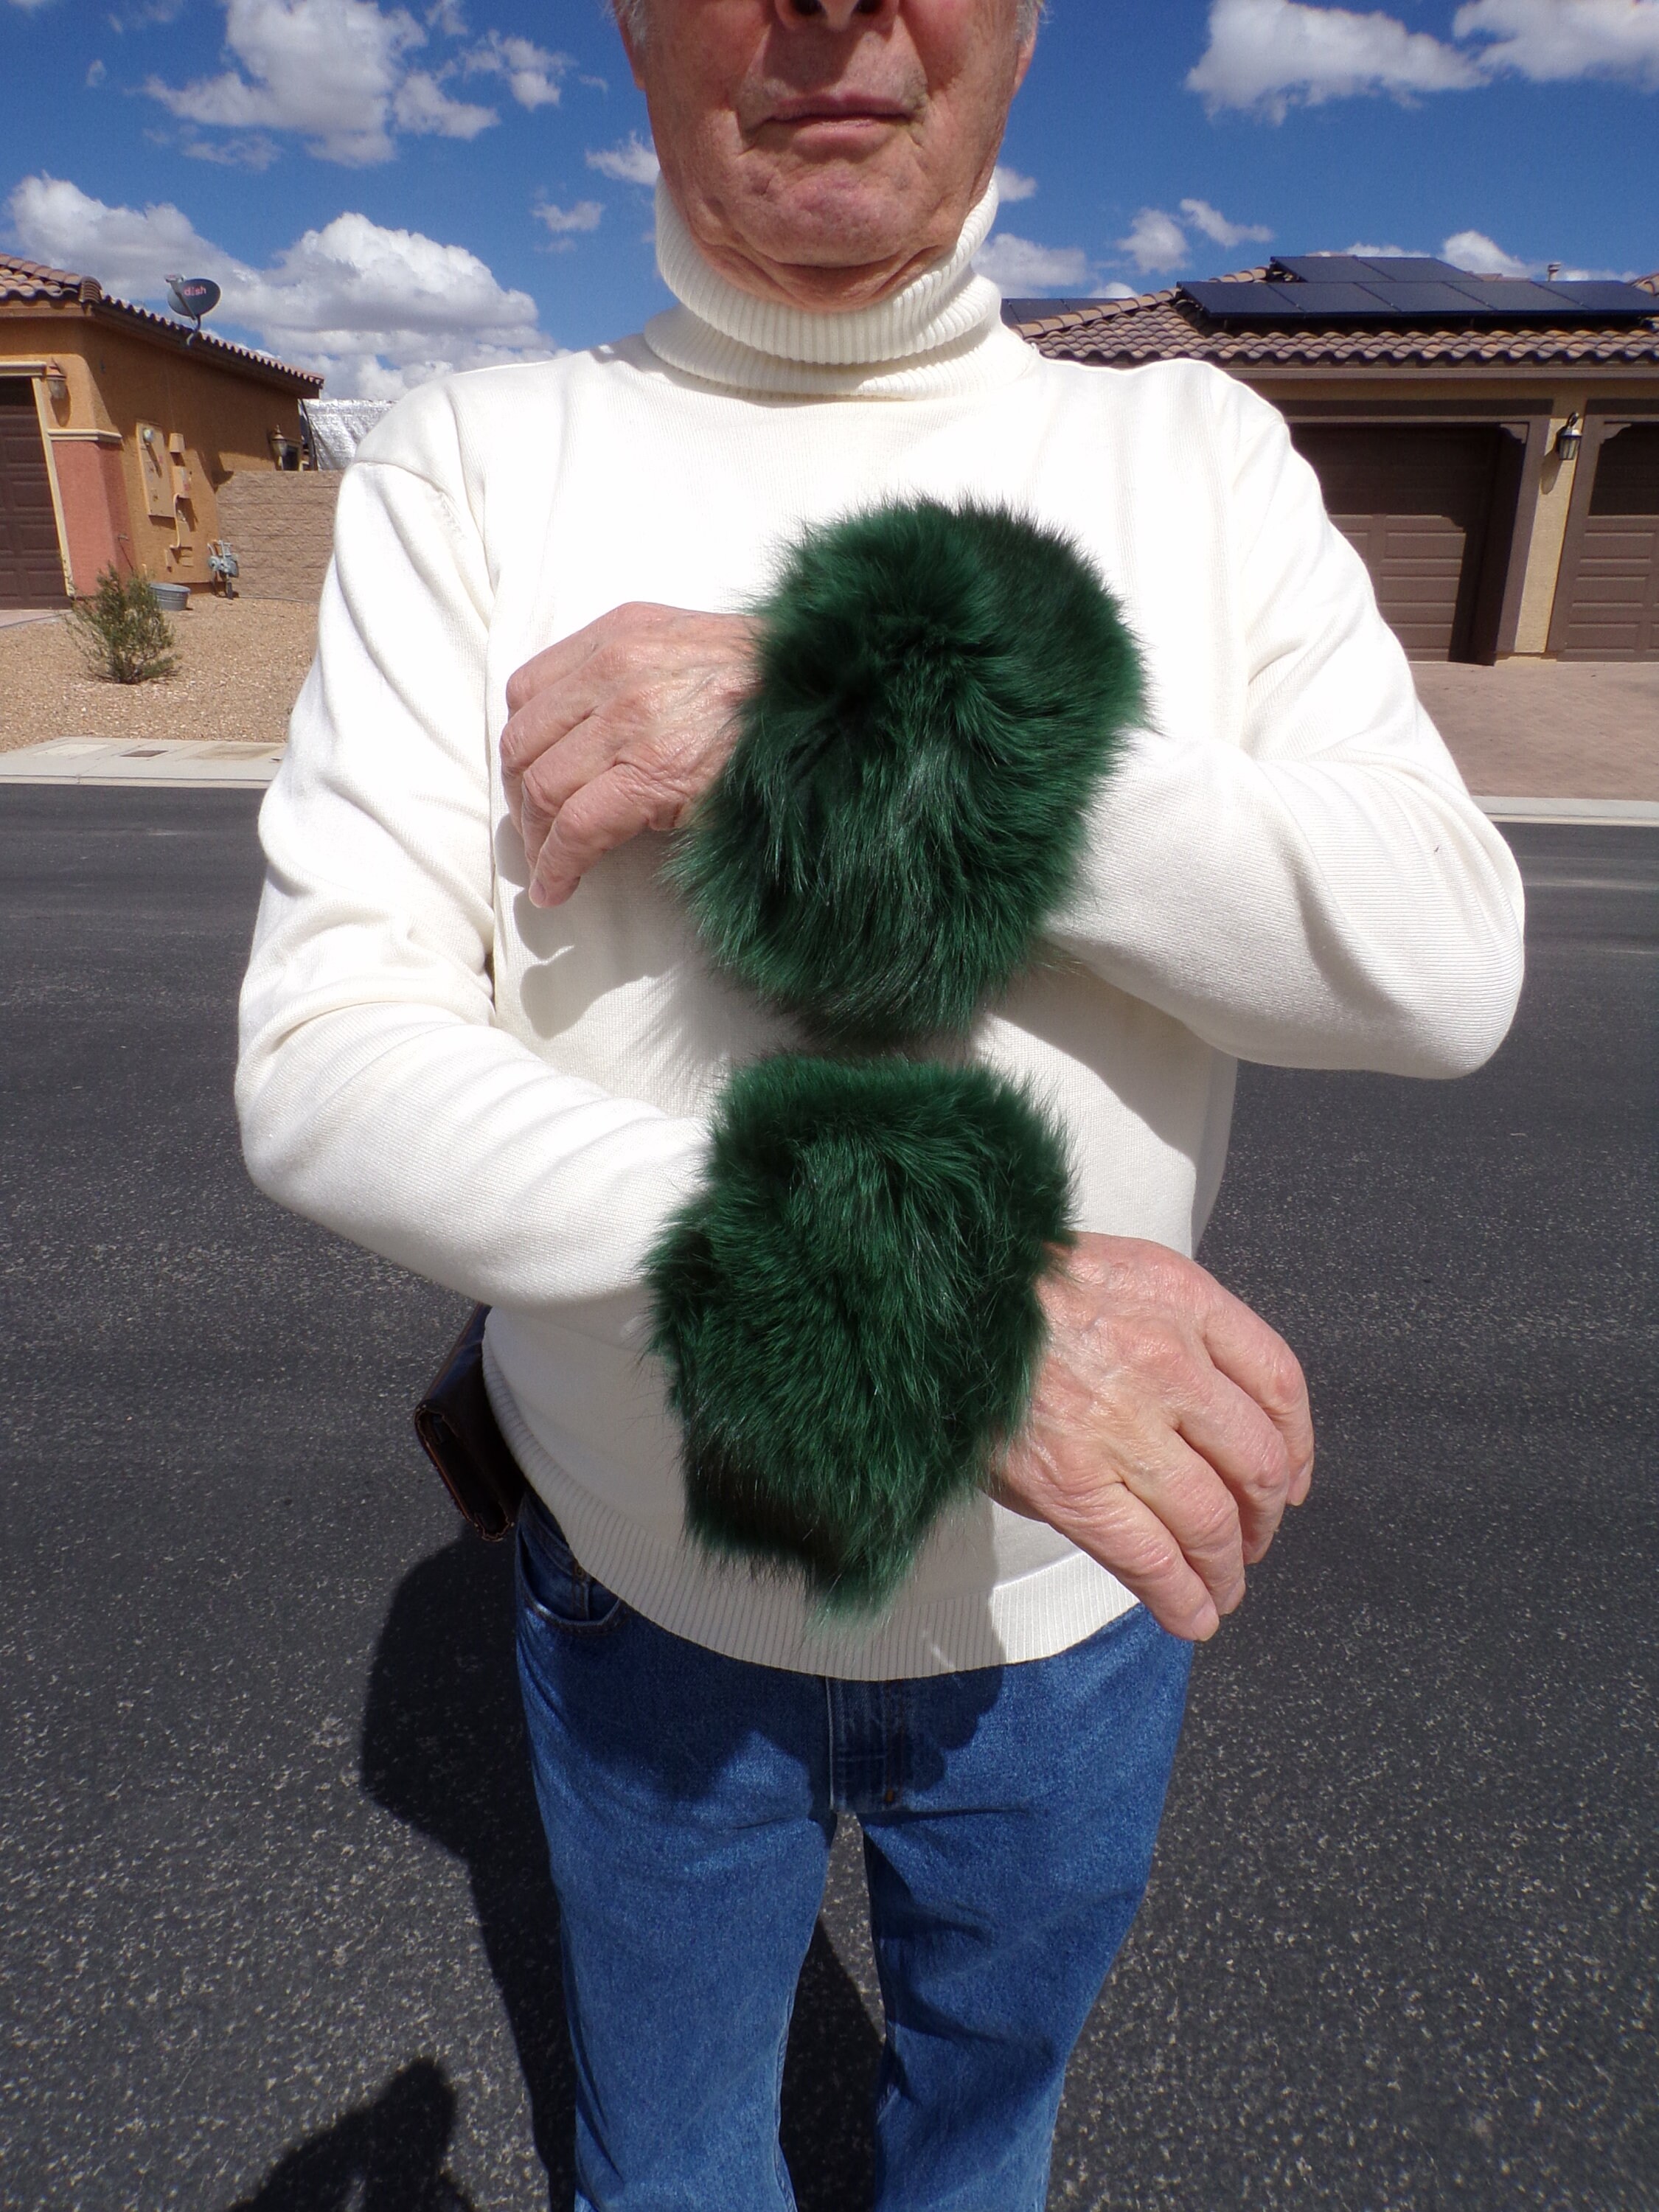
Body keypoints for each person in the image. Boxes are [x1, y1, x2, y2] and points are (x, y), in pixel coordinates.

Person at [236, 2, 1526, 2203]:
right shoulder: (478, 455)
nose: (835, 5)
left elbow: (1438, 961)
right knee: (668, 2168)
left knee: (981, 2146)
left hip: (1072, 1612)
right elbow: (324, 1060)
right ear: (635, 25)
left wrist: (865, 721)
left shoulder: (1189, 458)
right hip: (639, 1589)